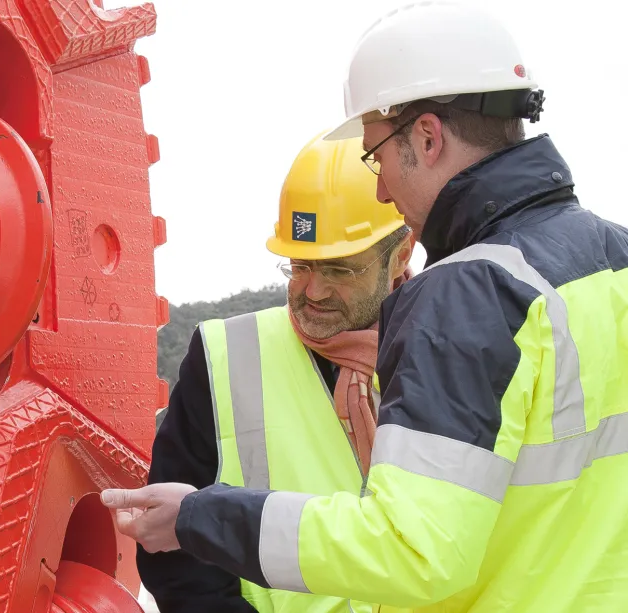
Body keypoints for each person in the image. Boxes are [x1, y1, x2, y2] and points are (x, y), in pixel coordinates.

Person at [102, 2, 628, 612]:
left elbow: (413, 548)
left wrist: (200, 516)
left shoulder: (468, 295)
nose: (381, 187)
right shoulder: (615, 260)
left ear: (427, 137)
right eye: (299, 265)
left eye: (376, 154)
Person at [138, 132, 412, 613]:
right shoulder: (223, 356)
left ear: (401, 255)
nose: (314, 291)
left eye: (339, 270)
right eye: (300, 266)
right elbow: (173, 550)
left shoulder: (454, 352)